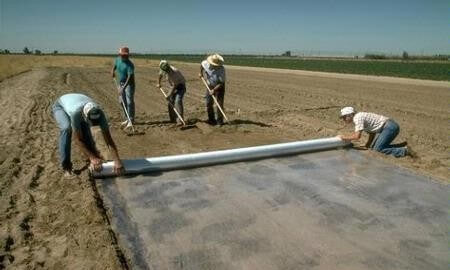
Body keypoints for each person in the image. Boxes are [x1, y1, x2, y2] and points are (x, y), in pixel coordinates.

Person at [52, 93, 124, 177]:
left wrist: (117, 160)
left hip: (78, 101)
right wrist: (92, 158)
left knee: (86, 131)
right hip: (60, 105)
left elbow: (109, 140)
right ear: (85, 115)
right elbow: (77, 140)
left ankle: (94, 158)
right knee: (66, 128)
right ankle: (66, 166)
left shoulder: (101, 114)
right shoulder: (76, 114)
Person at [337, 107, 411, 157]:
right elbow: (372, 132)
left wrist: (343, 138)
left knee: (378, 149)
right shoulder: (359, 116)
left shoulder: (357, 118)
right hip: (389, 127)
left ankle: (405, 151)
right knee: (374, 147)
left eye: (344, 117)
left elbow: (357, 136)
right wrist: (368, 144)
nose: (343, 119)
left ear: (350, 115)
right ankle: (401, 147)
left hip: (389, 128)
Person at [111, 46, 135, 129]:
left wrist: (123, 88)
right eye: (123, 55)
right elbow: (115, 65)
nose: (125, 56)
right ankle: (127, 118)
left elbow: (129, 77)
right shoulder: (117, 60)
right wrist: (112, 71)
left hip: (129, 84)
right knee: (122, 102)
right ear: (120, 55)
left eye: (126, 55)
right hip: (120, 83)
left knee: (129, 102)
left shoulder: (130, 65)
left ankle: (131, 120)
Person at [199, 54, 226, 125]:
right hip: (210, 85)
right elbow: (201, 65)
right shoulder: (205, 63)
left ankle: (220, 121)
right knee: (208, 103)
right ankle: (211, 119)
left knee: (219, 104)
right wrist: (201, 73)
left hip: (219, 87)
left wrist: (214, 90)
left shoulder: (221, 69)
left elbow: (221, 83)